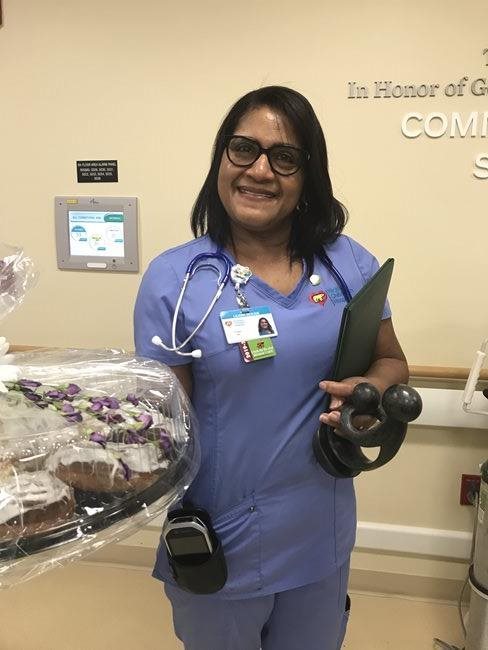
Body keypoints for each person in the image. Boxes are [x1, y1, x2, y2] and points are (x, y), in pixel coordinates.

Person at [134, 86, 408, 650]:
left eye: (284, 158)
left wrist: (372, 388)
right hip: (220, 536)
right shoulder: (176, 280)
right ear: (221, 161)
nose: (260, 170)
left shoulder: (346, 263)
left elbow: (391, 361)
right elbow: (162, 430)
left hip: (319, 531)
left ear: (309, 176)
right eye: (244, 149)